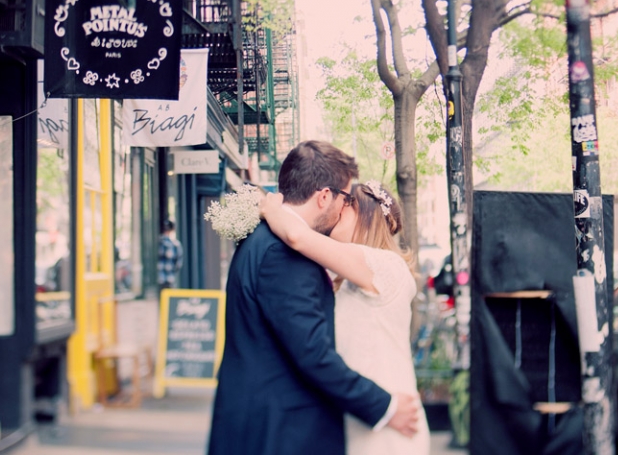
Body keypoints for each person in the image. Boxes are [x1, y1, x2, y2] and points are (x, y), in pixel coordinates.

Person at [207, 141, 421, 455]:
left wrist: (269, 206)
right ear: (324, 196)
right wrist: (383, 407)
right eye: (345, 198)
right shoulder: (284, 253)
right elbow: (312, 353)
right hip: (279, 432)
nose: (341, 210)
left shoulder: (266, 240)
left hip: (299, 425)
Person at [260, 178, 431, 455]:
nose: (337, 207)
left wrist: (271, 208)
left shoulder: (387, 266)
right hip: (364, 417)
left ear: (367, 214)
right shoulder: (349, 278)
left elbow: (296, 237)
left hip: (392, 423)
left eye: (347, 202)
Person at [157, 220, 183, 289]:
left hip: (157, 279)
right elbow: (178, 264)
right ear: (173, 229)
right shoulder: (176, 245)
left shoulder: (157, 243)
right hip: (170, 279)